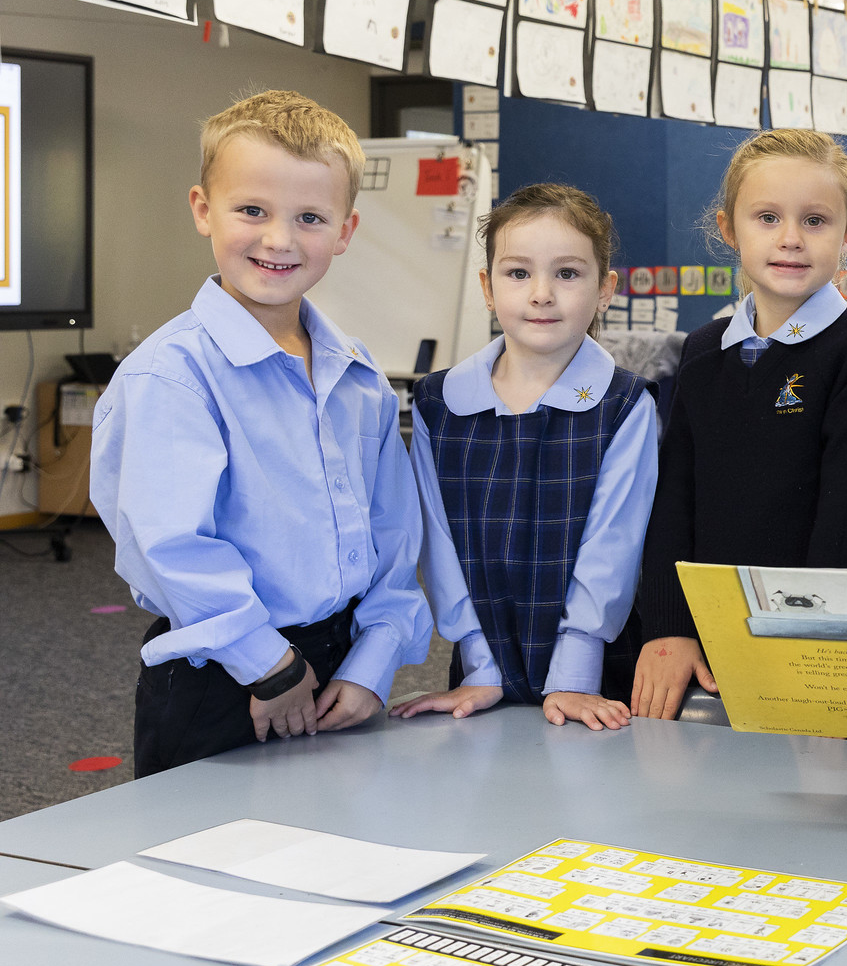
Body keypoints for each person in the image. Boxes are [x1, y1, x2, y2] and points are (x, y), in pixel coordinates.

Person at [94, 91, 432, 777]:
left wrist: (374, 660)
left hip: (344, 669)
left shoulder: (357, 375)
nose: (279, 239)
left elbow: (394, 537)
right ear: (202, 210)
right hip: (225, 672)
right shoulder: (173, 375)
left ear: (345, 230)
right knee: (212, 867)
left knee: (341, 854)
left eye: (310, 217)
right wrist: (270, 668)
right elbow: (171, 547)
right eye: (252, 210)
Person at [632, 130, 847, 718]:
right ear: (728, 229)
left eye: (815, 221)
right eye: (766, 217)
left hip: (813, 641)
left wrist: (810, 646)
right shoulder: (704, 350)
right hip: (711, 634)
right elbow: (675, 496)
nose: (790, 239)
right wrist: (669, 626)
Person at [390, 184, 658, 731]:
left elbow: (613, 548)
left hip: (593, 675)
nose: (542, 294)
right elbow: (437, 544)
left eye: (567, 273)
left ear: (604, 289)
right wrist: (480, 664)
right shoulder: (440, 403)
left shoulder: (625, 404)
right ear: (487, 288)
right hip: (477, 669)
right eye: (518, 273)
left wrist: (574, 677)